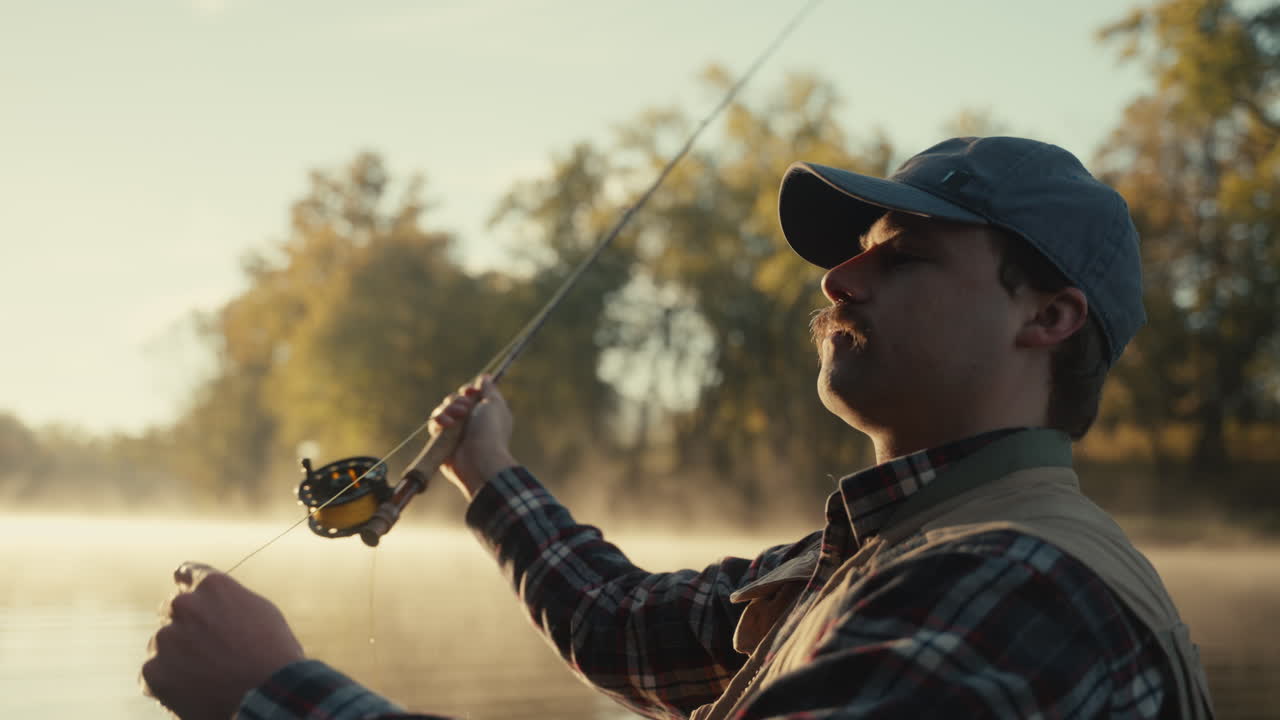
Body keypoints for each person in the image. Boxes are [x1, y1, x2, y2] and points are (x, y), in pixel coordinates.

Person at [142, 136, 1216, 719]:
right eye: (851, 253)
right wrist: (487, 468)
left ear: (1046, 316)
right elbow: (623, 626)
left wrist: (271, 694)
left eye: (905, 256)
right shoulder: (884, 556)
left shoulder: (1015, 587)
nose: (838, 277)